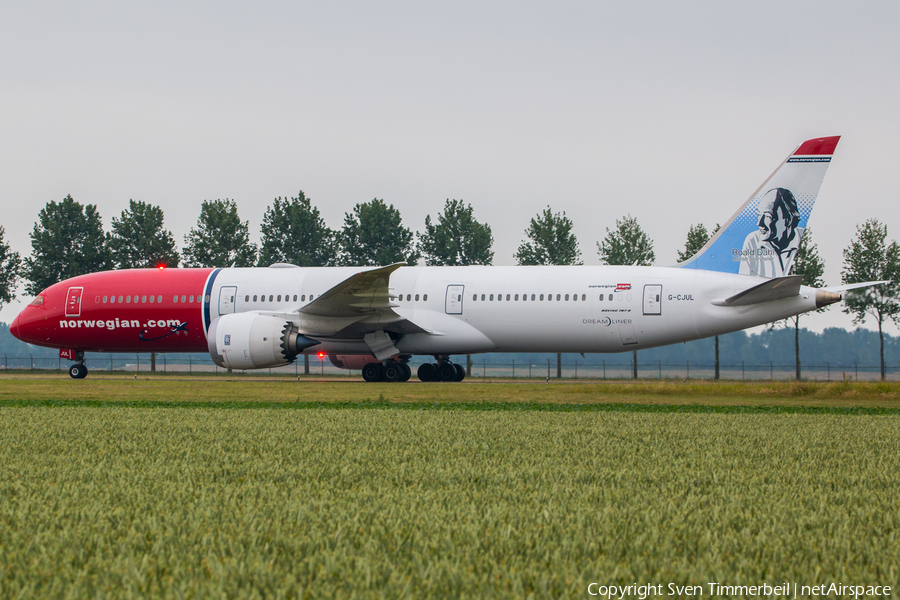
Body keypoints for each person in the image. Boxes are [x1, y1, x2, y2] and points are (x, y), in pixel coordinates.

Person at [738, 187, 802, 278]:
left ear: (788, 220)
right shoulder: (753, 240)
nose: (759, 223)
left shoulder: (803, 243)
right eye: (759, 215)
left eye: (768, 216)